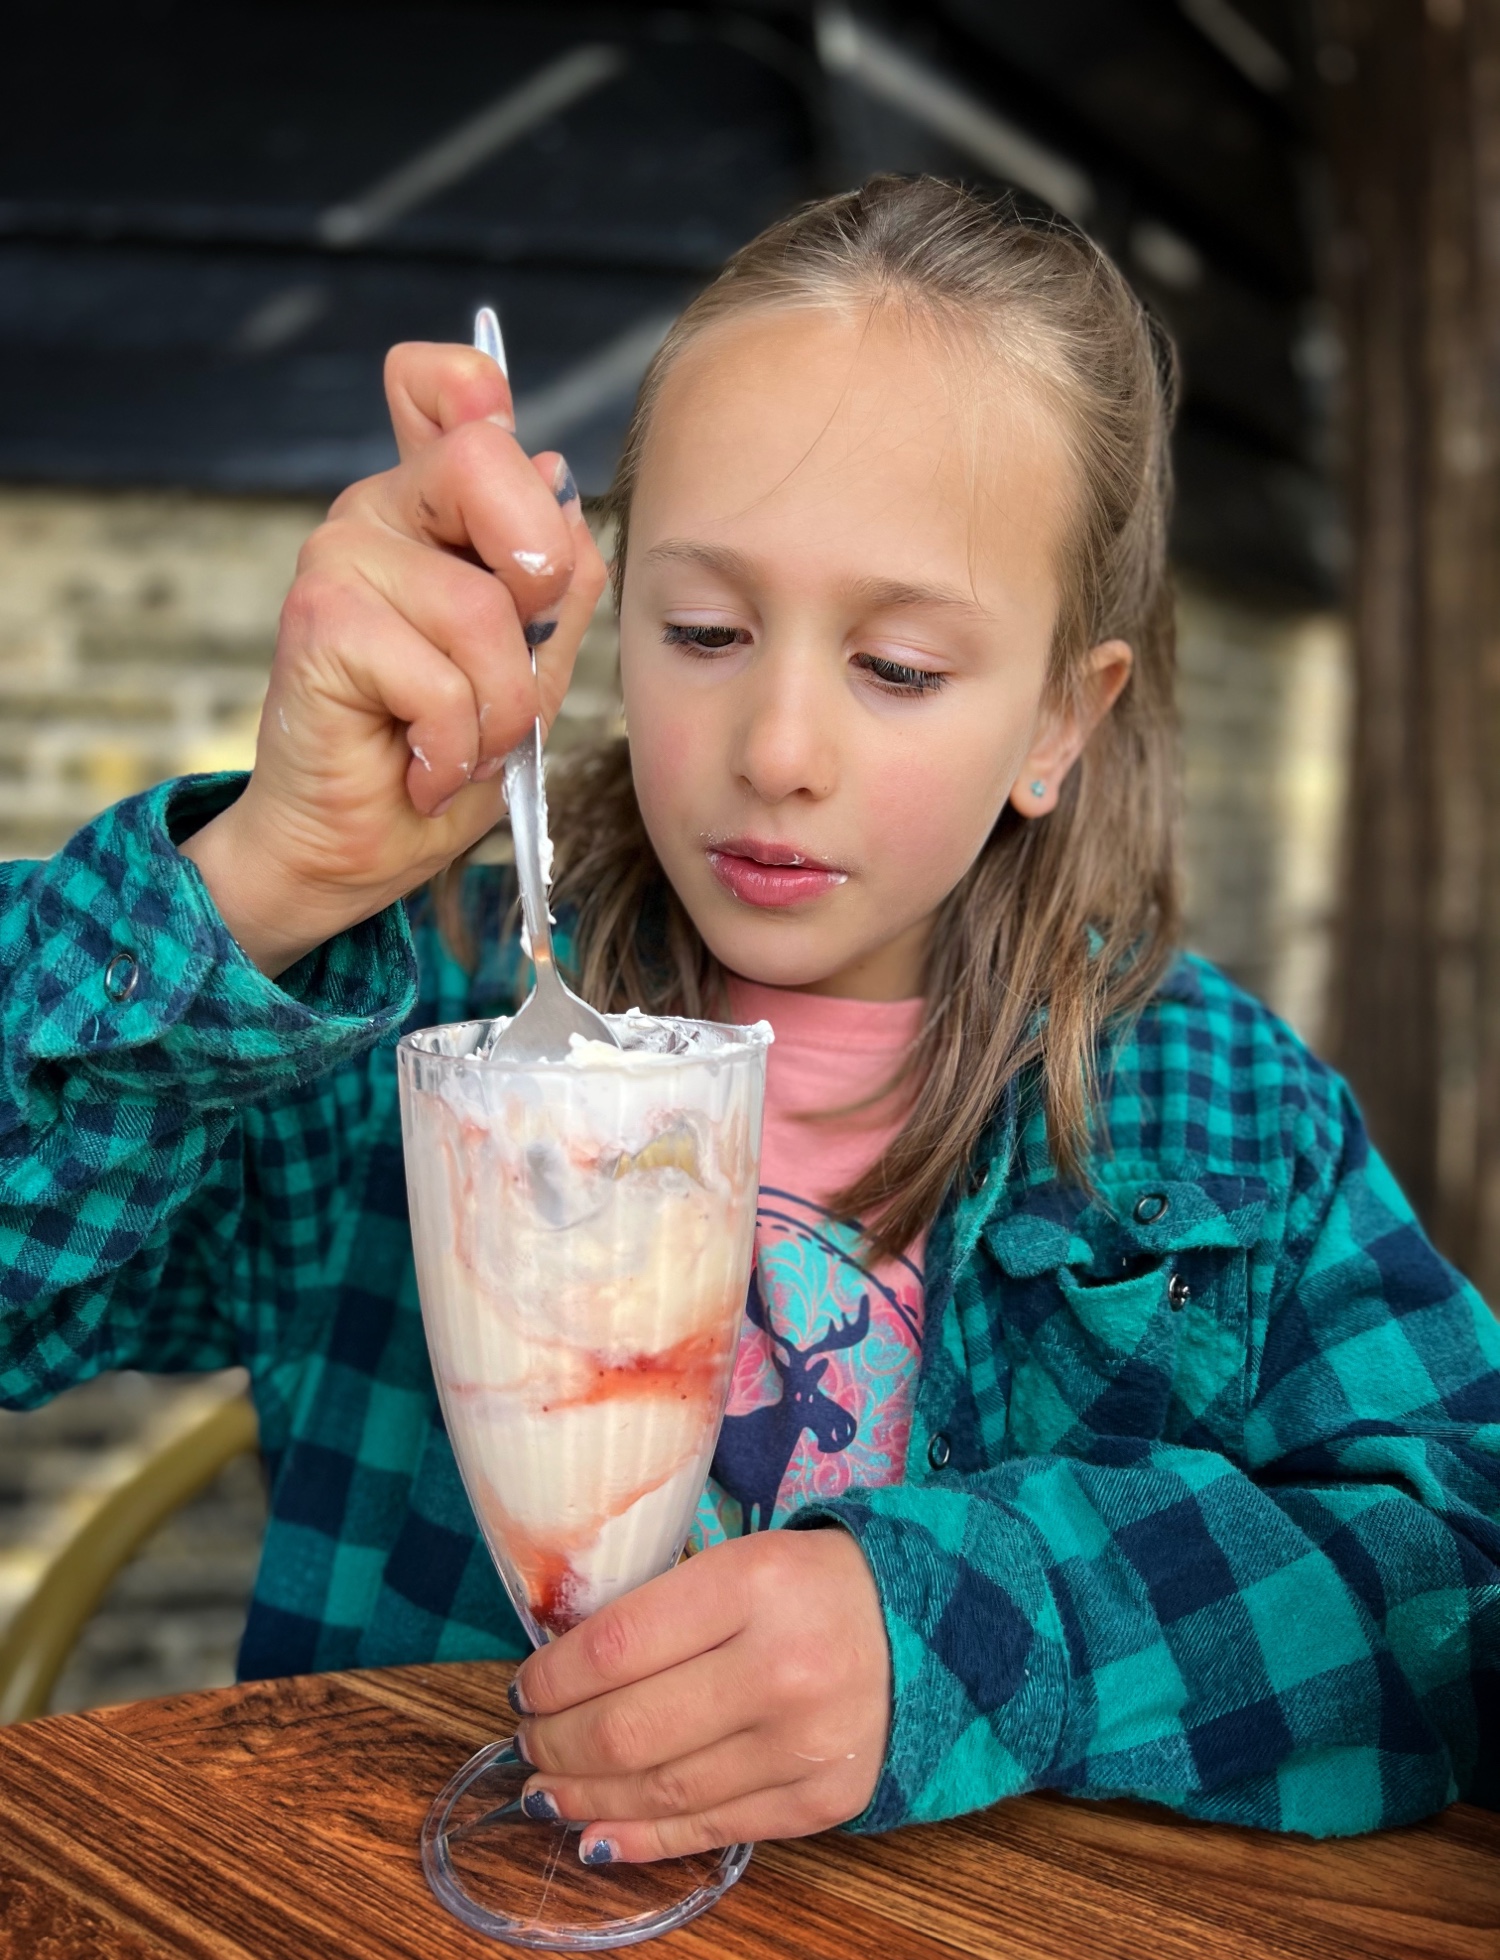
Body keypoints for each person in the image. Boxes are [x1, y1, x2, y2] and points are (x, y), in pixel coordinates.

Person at [3, 176, 1497, 1869]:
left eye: (900, 668)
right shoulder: (401, 1013)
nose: (777, 747)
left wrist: (964, 1635)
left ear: (1057, 724)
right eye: (705, 631)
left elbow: (1462, 1581)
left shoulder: (1214, 1117)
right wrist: (263, 882)